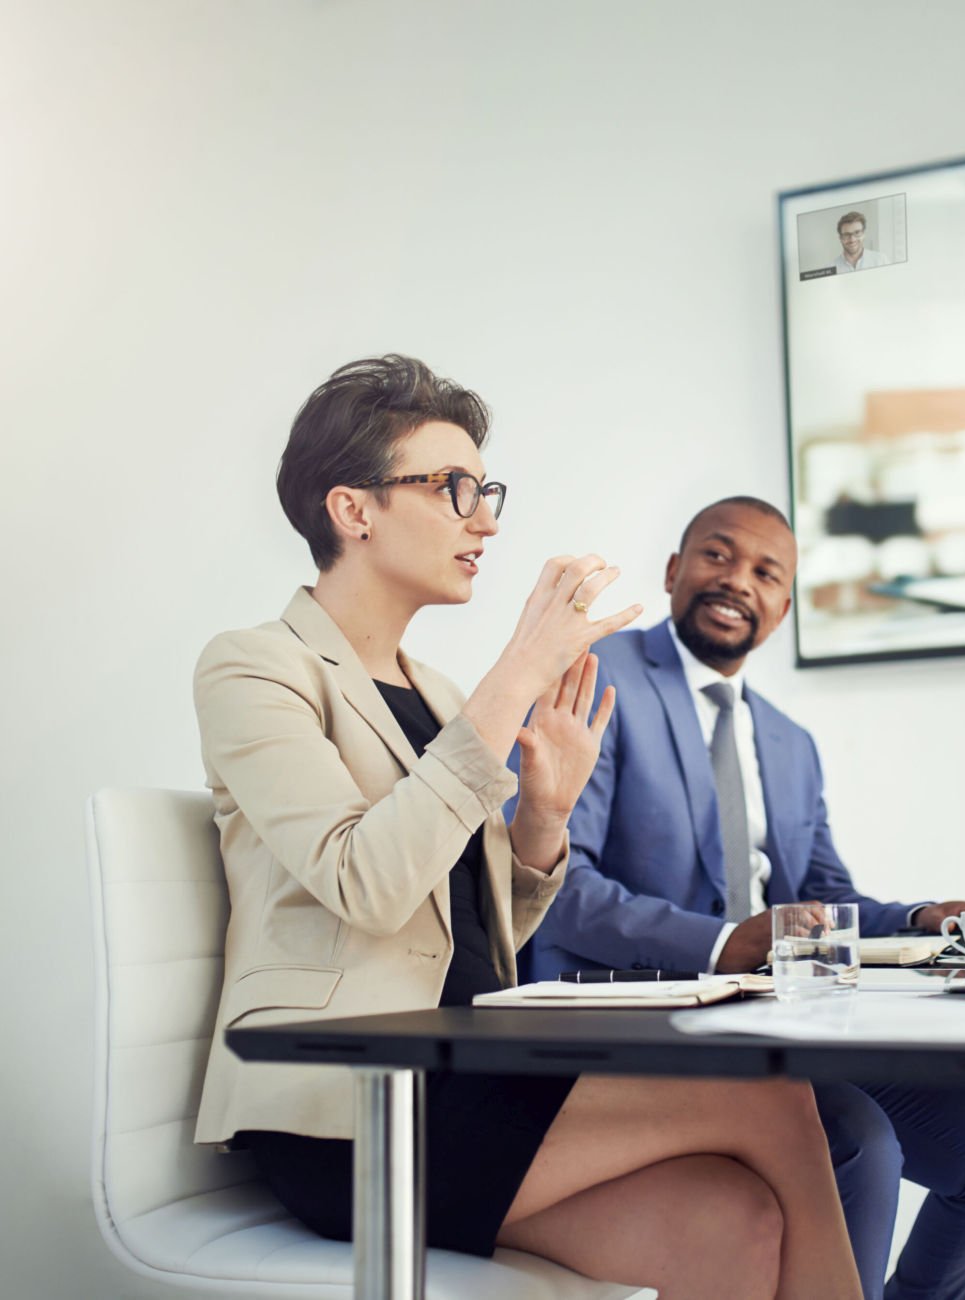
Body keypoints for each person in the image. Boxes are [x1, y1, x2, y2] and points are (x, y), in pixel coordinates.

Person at [193, 356, 861, 1298]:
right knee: (768, 1091)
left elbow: (477, 925)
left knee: (730, 1221)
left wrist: (543, 818)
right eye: (453, 488)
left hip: (467, 1070)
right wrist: (516, 673)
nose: (486, 520)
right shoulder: (256, 669)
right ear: (354, 509)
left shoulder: (435, 694)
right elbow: (365, 885)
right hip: (350, 1106)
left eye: (485, 490)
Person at [521, 495, 965, 1300]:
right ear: (673, 571)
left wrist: (917, 919)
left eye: (766, 573)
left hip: (779, 1021)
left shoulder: (789, 744)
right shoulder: (599, 679)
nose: (737, 581)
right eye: (717, 556)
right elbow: (558, 890)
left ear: (784, 607)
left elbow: (823, 901)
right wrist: (722, 941)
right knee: (859, 1140)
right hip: (639, 1019)